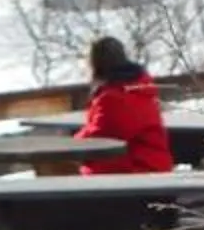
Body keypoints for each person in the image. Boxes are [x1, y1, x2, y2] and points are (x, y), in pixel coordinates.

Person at [75, 35, 176, 174]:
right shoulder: (135, 88)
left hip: (135, 171)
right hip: (149, 167)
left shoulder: (115, 98)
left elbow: (99, 139)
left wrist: (74, 143)